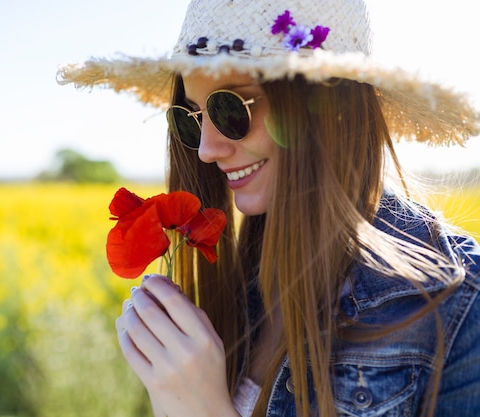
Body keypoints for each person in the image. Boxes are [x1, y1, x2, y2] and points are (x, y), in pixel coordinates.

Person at [58, 0, 480, 416]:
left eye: (230, 108)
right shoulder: (241, 283)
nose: (206, 150)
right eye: (190, 118)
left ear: (327, 107)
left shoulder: (455, 306)